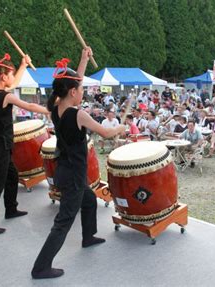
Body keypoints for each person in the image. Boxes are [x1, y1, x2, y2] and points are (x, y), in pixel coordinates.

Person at [32, 48, 126, 279]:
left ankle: (88, 236)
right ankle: (41, 267)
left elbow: (74, 81)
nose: (83, 92)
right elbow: (105, 133)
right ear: (73, 92)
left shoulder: (55, 109)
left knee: (89, 201)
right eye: (81, 89)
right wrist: (120, 128)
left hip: (65, 169)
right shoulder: (78, 114)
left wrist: (83, 60)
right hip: (73, 174)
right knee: (63, 222)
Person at [0, 51, 49, 235]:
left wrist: (23, 65)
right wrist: (51, 111)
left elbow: (13, 84)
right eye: (9, 74)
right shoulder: (5, 96)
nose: (11, 78)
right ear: (2, 77)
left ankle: (11, 208)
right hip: (1, 144)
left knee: (12, 175)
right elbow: (30, 106)